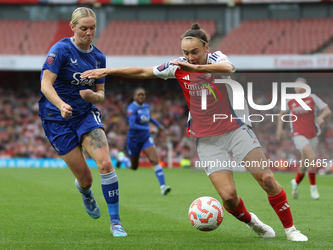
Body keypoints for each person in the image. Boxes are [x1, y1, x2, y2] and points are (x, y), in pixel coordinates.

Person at [81, 22, 308, 241]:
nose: (189, 57)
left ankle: (291, 229)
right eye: (185, 52)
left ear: (206, 48)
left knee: (267, 178)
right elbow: (142, 71)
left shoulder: (217, 58)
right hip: (207, 139)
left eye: (195, 52)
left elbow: (229, 68)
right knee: (228, 198)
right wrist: (108, 71)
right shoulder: (177, 66)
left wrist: (197, 67)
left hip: (236, 130)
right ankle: (253, 222)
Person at [38, 7, 127, 237]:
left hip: (85, 115)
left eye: (92, 28)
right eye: (83, 28)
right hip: (56, 119)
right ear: (73, 27)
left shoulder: (98, 57)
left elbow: (101, 94)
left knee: (106, 164)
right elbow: (45, 84)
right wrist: (60, 105)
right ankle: (86, 193)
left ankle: (115, 222)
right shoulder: (60, 51)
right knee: (86, 179)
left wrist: (92, 97)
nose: (89, 33)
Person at [277, 77, 331, 200]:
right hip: (298, 134)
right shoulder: (289, 99)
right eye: (297, 86)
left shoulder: (312, 97)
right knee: (312, 157)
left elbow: (327, 110)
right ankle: (313, 188)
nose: (299, 88)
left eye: (302, 86)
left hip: (313, 134)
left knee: (304, 163)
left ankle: (295, 183)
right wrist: (280, 128)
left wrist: (321, 117)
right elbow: (281, 113)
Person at [117, 87, 171, 195]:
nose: (141, 96)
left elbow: (149, 117)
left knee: (154, 160)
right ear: (134, 97)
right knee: (134, 167)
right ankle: (122, 158)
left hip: (146, 138)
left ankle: (163, 187)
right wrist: (148, 129)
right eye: (139, 95)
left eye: (143, 95)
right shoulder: (131, 108)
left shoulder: (146, 107)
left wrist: (158, 125)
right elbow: (132, 125)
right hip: (134, 139)